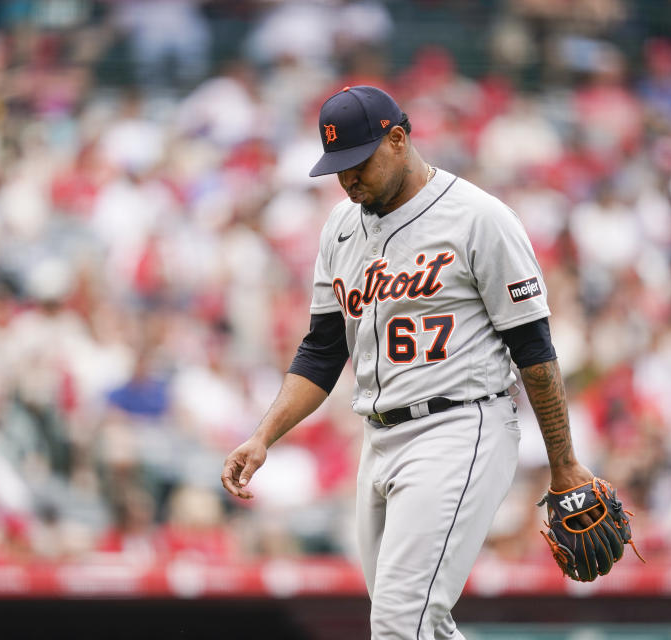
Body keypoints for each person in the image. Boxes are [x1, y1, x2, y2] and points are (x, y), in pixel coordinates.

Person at [221, 85, 595, 639]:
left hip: (459, 426)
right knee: (420, 624)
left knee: (400, 622)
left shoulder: (479, 218)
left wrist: (564, 464)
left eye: (358, 163)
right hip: (378, 438)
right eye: (337, 168)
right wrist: (263, 436)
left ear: (398, 139)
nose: (347, 181)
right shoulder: (341, 228)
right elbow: (324, 351)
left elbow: (534, 351)